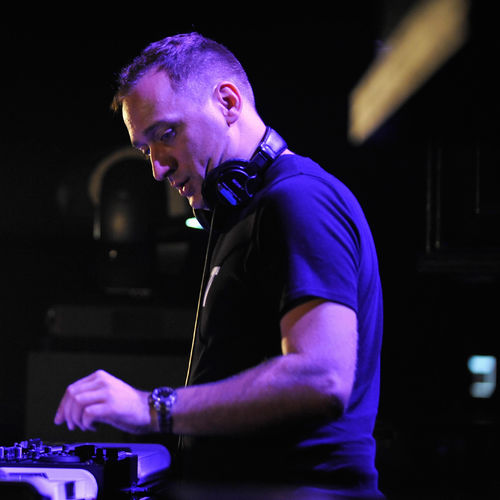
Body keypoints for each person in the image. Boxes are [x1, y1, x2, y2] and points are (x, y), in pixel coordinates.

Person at [54, 33, 384, 499]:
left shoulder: (299, 200)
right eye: (146, 149)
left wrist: (152, 408)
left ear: (228, 102)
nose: (157, 169)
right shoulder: (242, 214)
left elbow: (321, 377)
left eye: (166, 134)